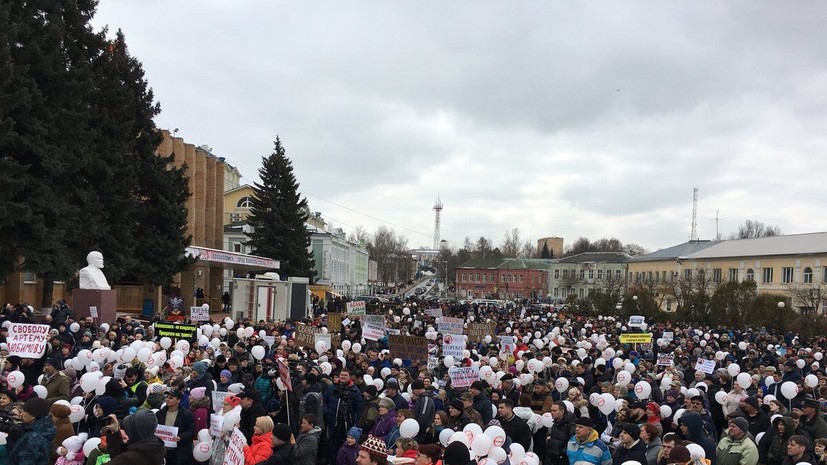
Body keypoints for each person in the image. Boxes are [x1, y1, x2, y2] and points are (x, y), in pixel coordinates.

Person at [100, 410, 166, 465]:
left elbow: (121, 460)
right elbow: (118, 456)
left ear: (136, 432)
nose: (126, 433)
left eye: (128, 430)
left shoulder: (133, 457)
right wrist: (115, 432)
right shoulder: (153, 448)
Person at [6, 397, 56, 465]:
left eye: (24, 411)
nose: (21, 414)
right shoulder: (44, 430)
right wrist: (12, 438)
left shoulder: (34, 438)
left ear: (33, 416)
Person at [155, 389, 195, 465]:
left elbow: (191, 430)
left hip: (179, 451)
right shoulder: (160, 413)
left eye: (171, 398)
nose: (167, 399)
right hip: (164, 450)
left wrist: (181, 437)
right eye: (167, 397)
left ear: (178, 401)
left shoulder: (186, 414)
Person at [549, 400, 577, 465]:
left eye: (554, 411)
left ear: (562, 411)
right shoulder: (555, 423)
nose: (551, 413)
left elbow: (572, 443)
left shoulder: (571, 426)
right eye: (551, 410)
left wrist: (560, 453)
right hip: (553, 458)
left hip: (563, 460)